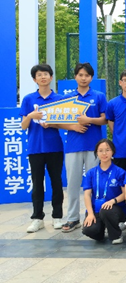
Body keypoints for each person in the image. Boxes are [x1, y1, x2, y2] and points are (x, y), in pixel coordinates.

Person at [62, 62, 107, 233]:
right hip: (73, 146)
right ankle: (73, 218)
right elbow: (57, 122)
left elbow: (105, 119)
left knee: (94, 183)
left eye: (87, 75)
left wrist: (89, 120)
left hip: (94, 147)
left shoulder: (99, 96)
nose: (83, 78)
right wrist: (73, 127)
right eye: (80, 75)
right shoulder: (67, 98)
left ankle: (93, 214)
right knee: (73, 184)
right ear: (75, 77)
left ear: (91, 78)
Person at [20, 64, 65, 233]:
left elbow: (65, 123)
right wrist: (31, 116)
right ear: (35, 79)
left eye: (46, 74)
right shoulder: (29, 99)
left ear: (51, 77)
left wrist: (51, 124)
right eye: (39, 75)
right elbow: (23, 126)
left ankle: (57, 216)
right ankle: (37, 218)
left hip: (54, 147)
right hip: (35, 148)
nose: (43, 77)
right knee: (37, 183)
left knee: (56, 182)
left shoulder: (59, 99)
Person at [81, 139, 126, 244]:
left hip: (115, 209)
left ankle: (116, 235)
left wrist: (112, 201)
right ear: (96, 153)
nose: (104, 153)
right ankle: (101, 229)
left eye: (107, 150)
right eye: (100, 150)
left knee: (106, 211)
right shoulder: (91, 173)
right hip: (96, 209)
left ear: (113, 152)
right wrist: (90, 213)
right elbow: (87, 195)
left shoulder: (120, 172)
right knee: (89, 230)